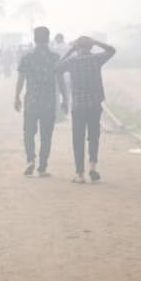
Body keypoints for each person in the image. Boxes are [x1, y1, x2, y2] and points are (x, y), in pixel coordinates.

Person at [56, 36, 116, 184]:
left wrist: (71, 50)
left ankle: (80, 174)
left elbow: (56, 68)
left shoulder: (72, 62)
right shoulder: (96, 59)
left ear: (78, 47)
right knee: (93, 137)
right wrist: (95, 41)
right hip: (94, 105)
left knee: (78, 139)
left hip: (78, 106)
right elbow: (112, 50)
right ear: (90, 47)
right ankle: (93, 167)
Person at [14, 26, 68, 177]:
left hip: (31, 101)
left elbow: (21, 79)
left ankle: (30, 160)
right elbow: (61, 80)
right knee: (46, 135)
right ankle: (42, 167)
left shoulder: (27, 57)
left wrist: (16, 97)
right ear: (48, 38)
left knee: (29, 133)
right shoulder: (55, 58)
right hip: (49, 102)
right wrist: (65, 99)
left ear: (35, 39)